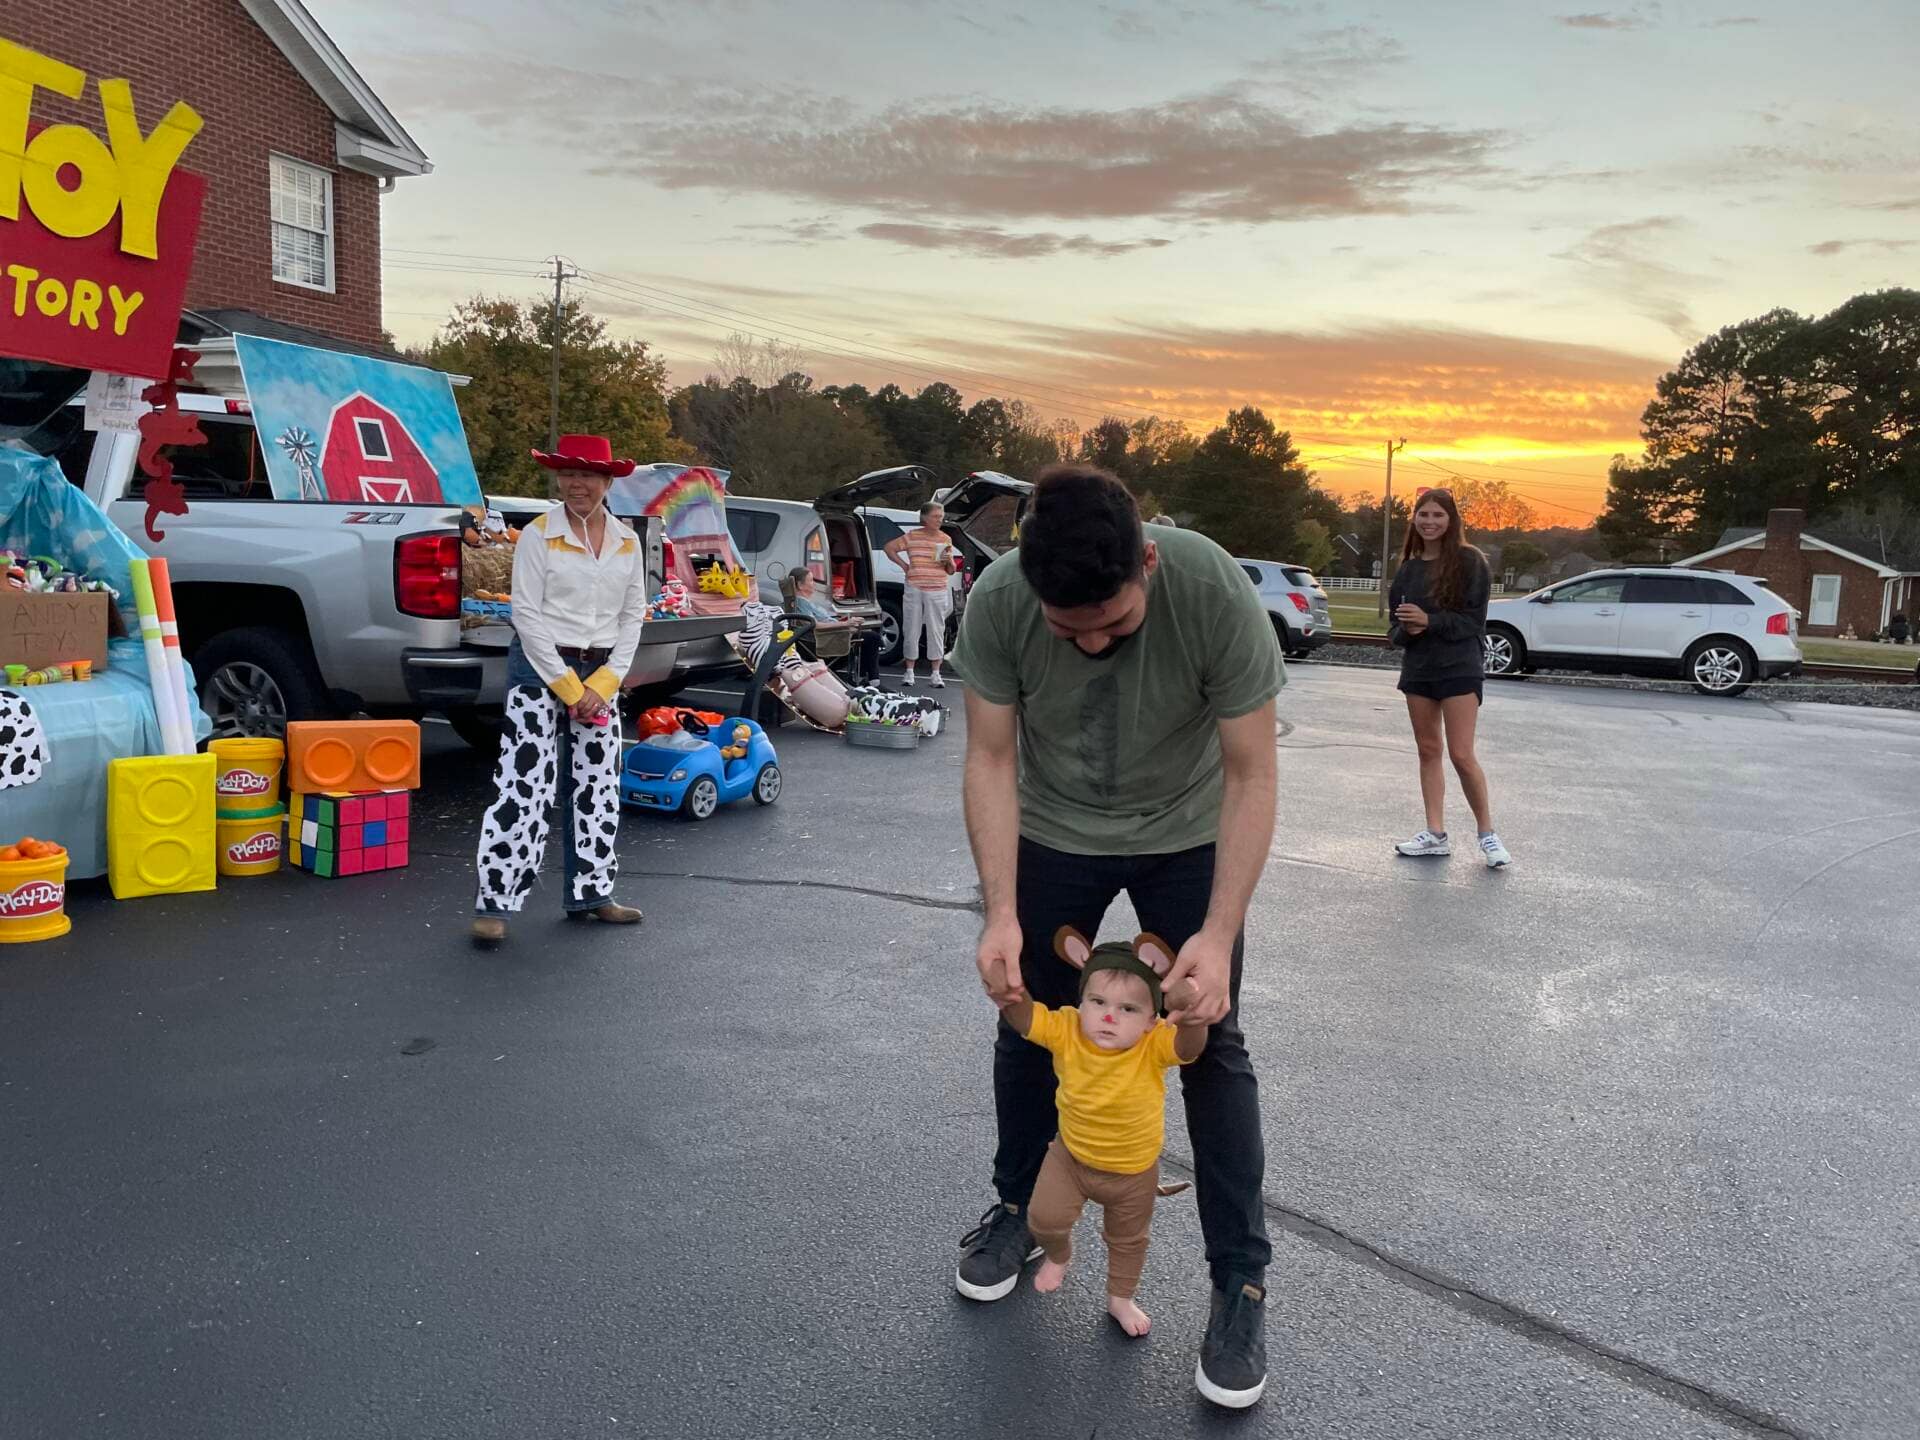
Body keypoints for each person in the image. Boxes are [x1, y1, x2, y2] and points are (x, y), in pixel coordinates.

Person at [949, 463, 1283, 1411]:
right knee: (1027, 1018)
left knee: (1209, 1043)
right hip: (1056, 828)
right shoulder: (1001, 600)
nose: (1092, 643)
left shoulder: (1211, 587)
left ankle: (1239, 1282)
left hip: (1188, 829)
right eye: (1070, 631)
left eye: (1114, 624)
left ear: (1148, 562)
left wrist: (1218, 930)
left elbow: (1252, 772)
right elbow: (990, 756)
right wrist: (1001, 911)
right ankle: (1020, 1209)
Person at [471, 434, 649, 944]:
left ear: (607, 481)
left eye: (587, 474)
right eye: (568, 473)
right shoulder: (538, 535)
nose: (576, 484)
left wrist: (605, 682)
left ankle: (592, 894)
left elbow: (632, 614)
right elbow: (526, 615)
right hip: (540, 667)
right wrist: (571, 689)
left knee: (598, 785)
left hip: (601, 672)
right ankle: (495, 902)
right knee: (524, 786)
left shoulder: (626, 541)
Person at [998, 928, 1206, 1338]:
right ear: (1081, 1004)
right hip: (1070, 1159)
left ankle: (1120, 1298)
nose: (1109, 1016)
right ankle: (1059, 1255)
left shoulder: (1153, 1044)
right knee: (1043, 1219)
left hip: (1132, 1173)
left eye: (1128, 1008)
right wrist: (1008, 992)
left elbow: (1189, 1049)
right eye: (1098, 1002)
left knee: (1128, 1241)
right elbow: (1025, 1020)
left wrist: (1194, 1014)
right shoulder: (1067, 1029)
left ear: (1151, 1021)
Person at [1387, 488, 1509, 868]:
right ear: (1414, 519)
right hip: (1419, 670)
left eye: (1438, 515)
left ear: (1451, 520)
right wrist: (1409, 631)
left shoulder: (1471, 562)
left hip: (1459, 667)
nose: (1430, 521)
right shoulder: (1408, 570)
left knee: (1461, 753)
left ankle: (1488, 835)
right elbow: (1394, 630)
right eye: (1423, 514)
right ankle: (1435, 834)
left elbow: (1473, 622)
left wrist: (1429, 621)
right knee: (1428, 750)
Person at [883, 502, 959, 687]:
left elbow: (950, 570)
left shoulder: (945, 539)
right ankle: (909, 671)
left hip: (937, 587)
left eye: (941, 517)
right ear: (924, 518)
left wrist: (949, 561)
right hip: (915, 586)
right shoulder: (912, 536)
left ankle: (936, 673)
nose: (939, 520)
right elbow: (889, 548)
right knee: (911, 627)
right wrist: (904, 565)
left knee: (936, 629)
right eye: (935, 517)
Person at [792, 567, 881, 685]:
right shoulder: (800, 603)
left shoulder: (804, 602)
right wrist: (845, 624)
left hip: (832, 634)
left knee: (868, 637)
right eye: (811, 580)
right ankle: (871, 681)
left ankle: (867, 679)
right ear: (800, 585)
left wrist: (844, 623)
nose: (814, 584)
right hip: (825, 641)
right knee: (872, 638)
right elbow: (813, 625)